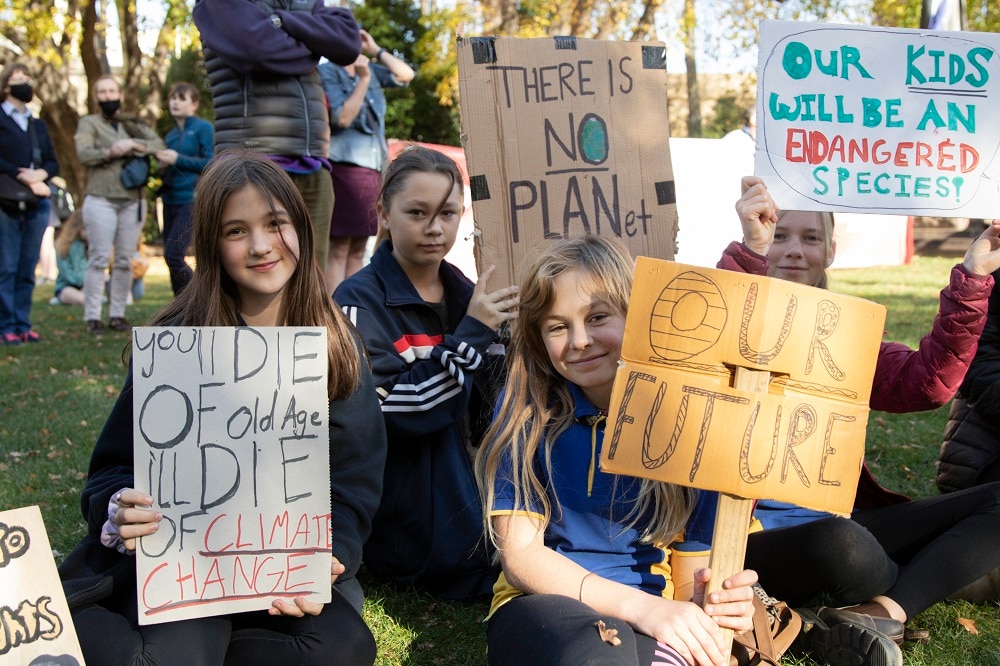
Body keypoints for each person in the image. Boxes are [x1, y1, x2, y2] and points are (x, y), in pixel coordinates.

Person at [58, 153, 386, 665]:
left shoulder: (336, 344)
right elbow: (112, 469)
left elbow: (352, 485)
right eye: (236, 231)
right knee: (173, 656)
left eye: (275, 223)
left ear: (300, 225)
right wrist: (119, 507)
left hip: (278, 568)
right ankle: (74, 621)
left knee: (340, 649)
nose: (260, 246)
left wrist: (334, 555)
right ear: (213, 245)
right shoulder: (176, 341)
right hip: (180, 563)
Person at [720, 176, 1000, 649]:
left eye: (810, 238)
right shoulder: (726, 319)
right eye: (779, 233)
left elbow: (930, 384)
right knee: (846, 548)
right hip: (750, 536)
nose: (792, 250)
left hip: (842, 521)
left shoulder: (848, 339)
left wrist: (972, 276)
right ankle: (919, 579)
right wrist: (749, 249)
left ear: (830, 251)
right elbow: (722, 313)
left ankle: (880, 611)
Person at [475, 235, 763, 666]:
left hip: (656, 607)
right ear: (537, 337)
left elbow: (696, 560)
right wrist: (646, 611)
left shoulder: (692, 413)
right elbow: (521, 557)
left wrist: (713, 607)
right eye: (557, 326)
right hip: (542, 604)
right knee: (595, 654)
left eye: (597, 317)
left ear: (637, 314)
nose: (579, 340)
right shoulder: (525, 408)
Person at [333, 145, 518, 599]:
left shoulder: (468, 293)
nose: (436, 229)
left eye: (448, 213)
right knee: (433, 432)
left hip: (468, 488)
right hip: (401, 514)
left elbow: (489, 406)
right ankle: (478, 554)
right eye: (417, 212)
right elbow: (392, 413)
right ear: (383, 213)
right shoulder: (357, 301)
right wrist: (472, 335)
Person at [193, 0, 362, 285]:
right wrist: (314, 43)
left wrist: (281, 20)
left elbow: (347, 42)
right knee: (241, 286)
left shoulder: (306, 2)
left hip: (313, 163)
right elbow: (260, 51)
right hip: (250, 162)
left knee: (310, 283)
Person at [319, 29, 414, 291]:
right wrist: (362, 80)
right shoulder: (328, 71)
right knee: (338, 246)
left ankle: (351, 309)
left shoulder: (370, 67)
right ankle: (334, 312)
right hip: (344, 167)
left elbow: (407, 74)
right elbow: (343, 118)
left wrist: (376, 50)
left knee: (360, 245)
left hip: (374, 167)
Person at [74, 74, 165, 336]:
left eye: (111, 91)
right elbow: (84, 154)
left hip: (132, 201)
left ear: (120, 94)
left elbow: (157, 144)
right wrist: (109, 152)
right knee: (99, 257)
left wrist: (132, 144)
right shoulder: (89, 123)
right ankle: (92, 315)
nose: (107, 96)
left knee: (125, 259)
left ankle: (117, 314)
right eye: (101, 92)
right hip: (101, 198)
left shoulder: (132, 123)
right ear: (95, 97)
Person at [0, 62, 59, 345]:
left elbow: (52, 161)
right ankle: (5, 325)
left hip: (37, 200)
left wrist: (41, 175)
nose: (24, 82)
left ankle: (23, 324)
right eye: (17, 78)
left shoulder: (37, 124)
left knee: (27, 267)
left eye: (27, 77)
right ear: (5, 85)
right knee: (7, 266)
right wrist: (24, 177)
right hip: (7, 200)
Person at [154, 81, 214, 295]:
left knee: (174, 254)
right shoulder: (170, 135)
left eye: (182, 98)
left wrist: (178, 159)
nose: (175, 103)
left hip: (193, 198)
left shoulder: (203, 128)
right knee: (169, 257)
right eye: (172, 98)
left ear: (194, 104)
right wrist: (164, 166)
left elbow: (211, 163)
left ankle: (197, 300)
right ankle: (180, 308)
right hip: (170, 199)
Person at [52, 211, 87, 306]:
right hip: (66, 286)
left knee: (89, 297)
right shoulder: (63, 246)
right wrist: (85, 278)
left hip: (86, 286)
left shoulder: (91, 247)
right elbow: (66, 274)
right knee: (83, 299)